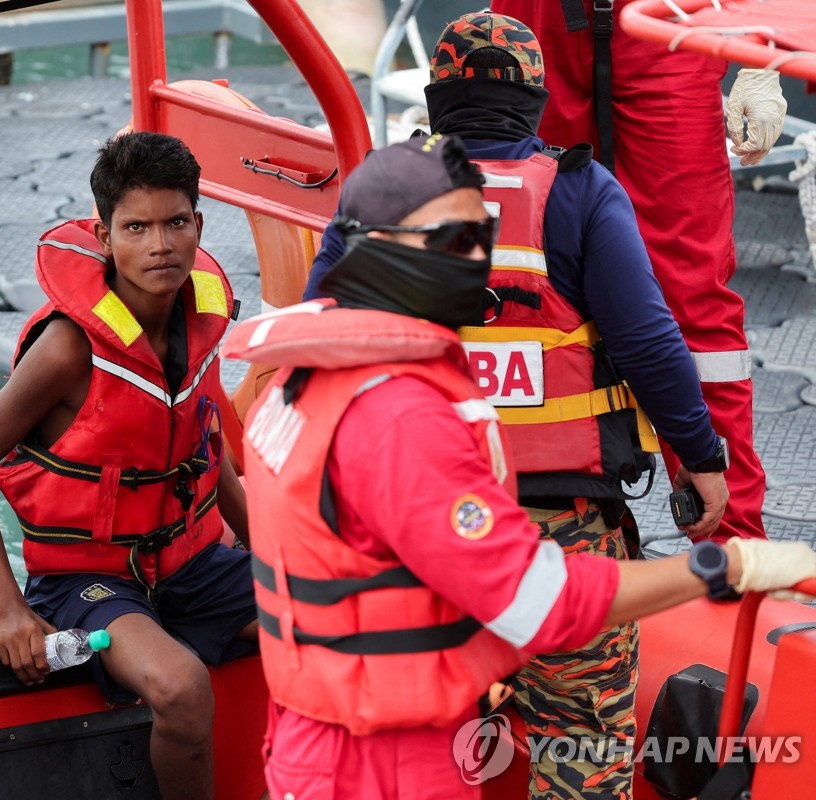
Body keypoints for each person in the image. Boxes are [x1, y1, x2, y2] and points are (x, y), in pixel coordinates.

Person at [224, 131, 816, 800]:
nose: (476, 259)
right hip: (388, 766)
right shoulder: (400, 416)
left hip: (314, 742)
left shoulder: (301, 377)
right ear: (371, 245)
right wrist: (723, 566)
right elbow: (540, 603)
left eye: (481, 236)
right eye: (450, 240)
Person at [305, 12, 729, 797]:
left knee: (415, 746)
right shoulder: (581, 190)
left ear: (436, 99)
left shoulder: (383, 190)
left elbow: (318, 329)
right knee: (581, 746)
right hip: (559, 532)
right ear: (536, 101)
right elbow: (648, 341)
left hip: (411, 520)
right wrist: (701, 457)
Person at [0, 131, 256, 800]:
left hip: (192, 565)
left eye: (176, 223)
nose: (160, 244)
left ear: (199, 226)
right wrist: (7, 609)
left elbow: (209, 446)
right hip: (87, 581)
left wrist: (271, 551)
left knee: (329, 621)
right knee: (181, 686)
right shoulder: (67, 349)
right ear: (104, 236)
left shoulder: (203, 320)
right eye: (136, 227)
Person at [483, 0, 786, 544]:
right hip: (534, 22)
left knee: (691, 292)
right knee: (524, 273)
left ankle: (732, 549)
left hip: (668, 24)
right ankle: (553, 519)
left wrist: (763, 55)